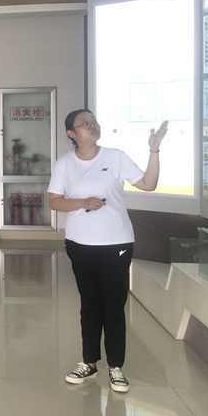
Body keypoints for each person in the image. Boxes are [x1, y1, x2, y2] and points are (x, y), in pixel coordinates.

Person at [48, 109, 168, 393]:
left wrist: (154, 150)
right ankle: (89, 363)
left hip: (116, 243)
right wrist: (82, 203)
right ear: (71, 133)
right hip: (80, 243)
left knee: (114, 306)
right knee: (90, 305)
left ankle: (116, 367)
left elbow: (148, 184)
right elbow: (54, 201)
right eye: (84, 123)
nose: (92, 126)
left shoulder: (115, 157)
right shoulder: (65, 163)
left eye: (94, 121)